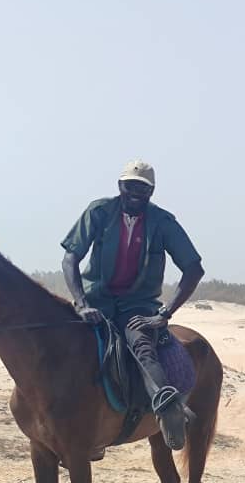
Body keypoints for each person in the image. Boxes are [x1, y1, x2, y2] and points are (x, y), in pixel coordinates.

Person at [61, 160, 205, 453]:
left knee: (140, 344)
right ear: (120, 187)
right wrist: (81, 303)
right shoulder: (99, 212)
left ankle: (167, 406)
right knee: (63, 345)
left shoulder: (164, 223)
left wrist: (164, 314)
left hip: (137, 306)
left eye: (143, 188)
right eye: (130, 186)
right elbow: (70, 258)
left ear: (151, 191)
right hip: (95, 301)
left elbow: (193, 268)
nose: (136, 193)